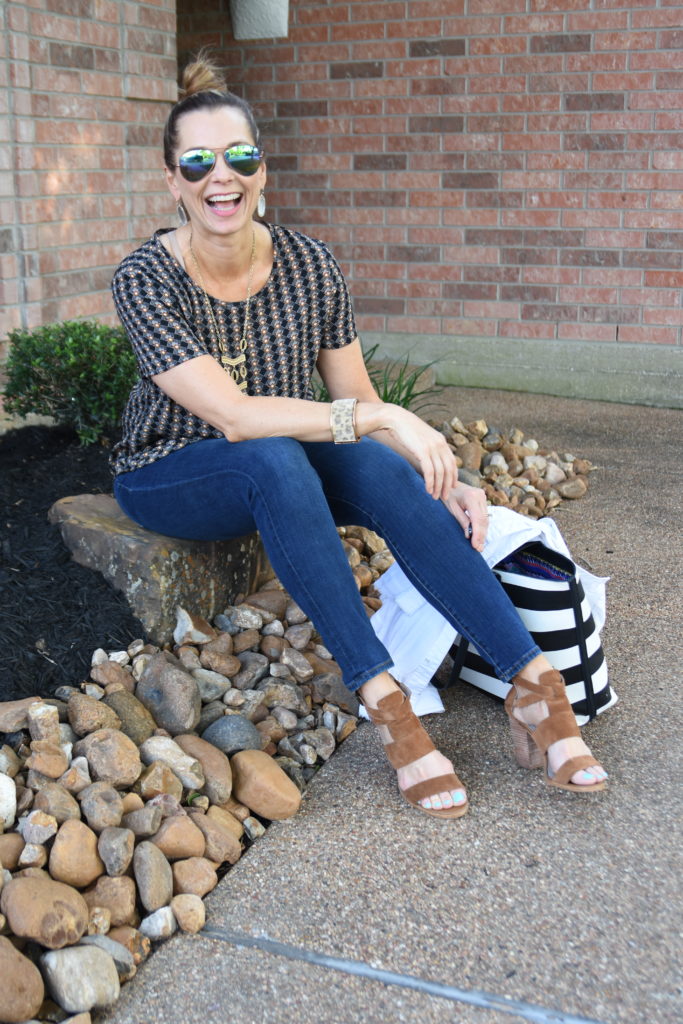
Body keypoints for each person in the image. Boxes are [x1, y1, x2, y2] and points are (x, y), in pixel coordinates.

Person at [110, 55, 608, 820]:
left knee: (380, 473)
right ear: (171, 180)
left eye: (239, 157)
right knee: (277, 455)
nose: (222, 176)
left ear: (262, 169)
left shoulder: (309, 264)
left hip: (277, 453)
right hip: (172, 467)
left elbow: (358, 401)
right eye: (198, 162)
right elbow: (237, 417)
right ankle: (384, 696)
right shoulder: (145, 277)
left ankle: (532, 682)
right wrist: (376, 420)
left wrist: (442, 471)